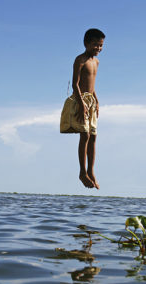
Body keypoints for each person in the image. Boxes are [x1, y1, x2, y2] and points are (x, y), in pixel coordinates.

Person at [60, 28, 105, 189]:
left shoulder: (96, 62)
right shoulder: (80, 60)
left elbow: (92, 85)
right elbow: (75, 84)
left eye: (100, 46)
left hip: (91, 101)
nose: (98, 49)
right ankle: (82, 172)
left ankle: (91, 171)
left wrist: (97, 101)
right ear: (86, 43)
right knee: (84, 135)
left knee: (93, 136)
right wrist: (81, 104)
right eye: (95, 45)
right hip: (80, 100)